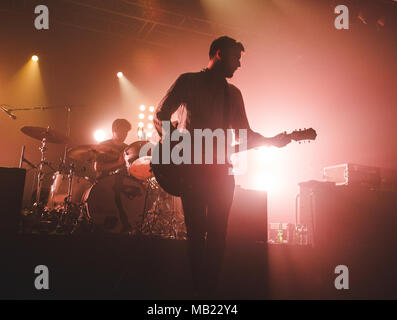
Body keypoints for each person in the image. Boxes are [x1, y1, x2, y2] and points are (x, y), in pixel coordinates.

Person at [154, 36, 291, 297]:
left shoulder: (234, 94)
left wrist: (274, 141)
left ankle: (209, 294)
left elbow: (244, 135)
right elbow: (160, 114)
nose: (239, 64)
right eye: (236, 58)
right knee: (196, 234)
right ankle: (198, 293)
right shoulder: (188, 81)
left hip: (220, 172)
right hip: (191, 170)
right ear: (219, 54)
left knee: (218, 238)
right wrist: (174, 146)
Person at [94, 118, 134, 233]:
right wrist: (117, 163)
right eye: (122, 131)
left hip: (122, 185)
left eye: (126, 132)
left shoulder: (127, 148)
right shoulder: (103, 146)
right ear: (114, 130)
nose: (124, 134)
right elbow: (97, 167)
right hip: (104, 184)